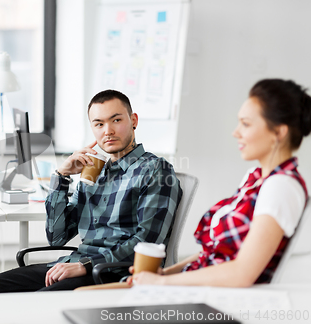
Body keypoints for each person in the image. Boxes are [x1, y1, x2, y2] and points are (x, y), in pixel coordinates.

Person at [0, 89, 183, 294]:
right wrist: (62, 177)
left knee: (40, 301)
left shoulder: (155, 170)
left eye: (116, 120)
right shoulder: (94, 171)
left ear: (133, 120)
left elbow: (146, 243)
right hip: (75, 264)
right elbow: (57, 237)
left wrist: (87, 265)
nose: (107, 131)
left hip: (114, 272)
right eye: (99, 124)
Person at [130, 79, 310, 287]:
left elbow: (242, 273)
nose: (236, 132)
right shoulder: (257, 178)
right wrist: (165, 275)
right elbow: (212, 254)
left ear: (279, 132)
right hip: (202, 288)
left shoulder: (281, 187)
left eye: (246, 124)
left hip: (220, 299)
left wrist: (161, 283)